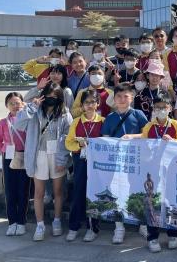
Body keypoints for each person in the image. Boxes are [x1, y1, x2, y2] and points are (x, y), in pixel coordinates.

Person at [14, 83, 73, 242]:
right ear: (43, 96)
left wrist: (62, 159)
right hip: (39, 154)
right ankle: (40, 225)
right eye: (49, 96)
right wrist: (32, 107)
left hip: (57, 155)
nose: (51, 99)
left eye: (55, 96)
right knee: (39, 192)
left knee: (58, 191)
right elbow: (18, 124)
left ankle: (57, 220)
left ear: (60, 98)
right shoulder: (35, 111)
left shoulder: (64, 113)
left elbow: (67, 137)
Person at [101, 83, 149, 243]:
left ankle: (143, 224)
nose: (122, 99)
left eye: (125, 96)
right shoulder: (110, 118)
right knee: (117, 193)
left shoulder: (138, 114)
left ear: (132, 97)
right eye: (119, 96)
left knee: (138, 192)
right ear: (114, 99)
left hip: (136, 162)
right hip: (116, 164)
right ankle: (119, 227)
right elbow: (105, 140)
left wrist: (132, 137)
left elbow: (147, 134)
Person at [139, 94, 177, 252]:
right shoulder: (149, 126)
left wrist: (172, 141)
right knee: (152, 203)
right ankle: (152, 237)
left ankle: (173, 234)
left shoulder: (175, 125)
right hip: (153, 172)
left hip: (171, 170)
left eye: (164, 107)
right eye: (157, 108)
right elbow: (143, 146)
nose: (161, 110)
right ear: (153, 109)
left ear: (170, 108)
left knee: (171, 202)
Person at [64, 90, 104, 242]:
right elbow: (68, 143)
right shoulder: (76, 122)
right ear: (81, 105)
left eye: (93, 102)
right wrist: (79, 145)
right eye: (86, 102)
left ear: (97, 104)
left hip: (97, 164)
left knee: (94, 195)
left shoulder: (103, 121)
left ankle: (92, 228)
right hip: (80, 162)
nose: (90, 105)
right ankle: (74, 226)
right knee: (78, 193)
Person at [0, 92, 29, 237]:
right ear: (6, 106)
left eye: (18, 103)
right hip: (8, 157)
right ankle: (12, 222)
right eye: (11, 103)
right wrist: (6, 150)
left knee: (23, 190)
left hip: (24, 156)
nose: (15, 106)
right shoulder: (3, 122)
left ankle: (21, 222)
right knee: (10, 190)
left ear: (23, 104)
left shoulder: (27, 120)